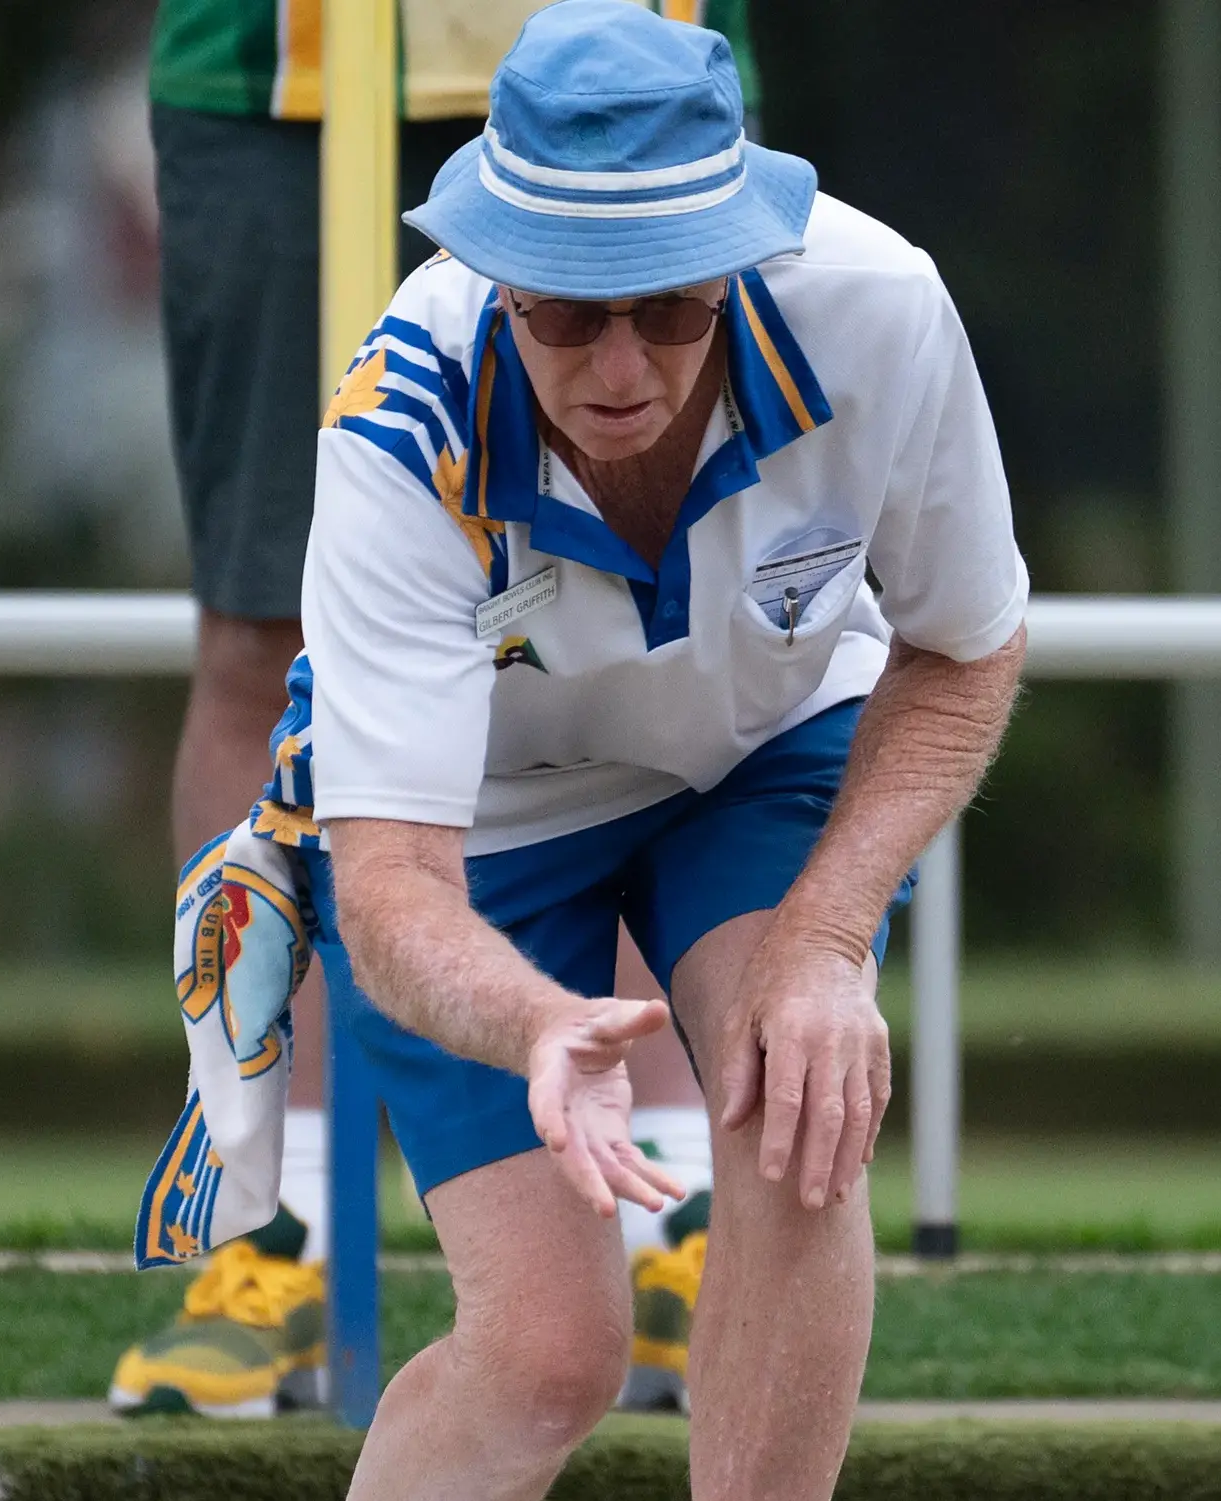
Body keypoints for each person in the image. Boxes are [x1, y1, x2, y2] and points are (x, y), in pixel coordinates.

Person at [249, 5, 1026, 1501]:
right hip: (481, 822)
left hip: (771, 746)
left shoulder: (883, 311)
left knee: (798, 1113)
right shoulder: (400, 422)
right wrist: (540, 1022)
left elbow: (964, 648)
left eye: (670, 309)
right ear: (499, 275)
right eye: (564, 311)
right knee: (550, 1359)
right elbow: (387, 885)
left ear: (744, 262)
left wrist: (822, 941)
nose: (617, 371)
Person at [113, 0, 757, 1420]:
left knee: (667, 581)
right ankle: (270, 1214)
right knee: (265, 629)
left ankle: (672, 1197)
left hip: (642, 50)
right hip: (277, 63)